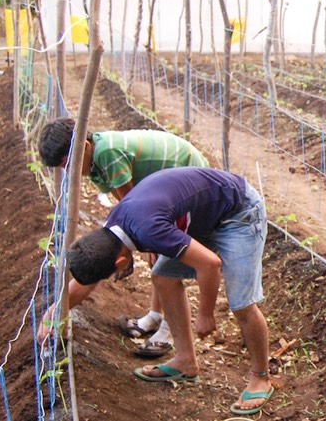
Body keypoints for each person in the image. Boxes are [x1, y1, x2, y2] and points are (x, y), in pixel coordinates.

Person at [38, 167, 273, 415]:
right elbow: (89, 279)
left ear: (119, 263)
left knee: (241, 304)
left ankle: (261, 376)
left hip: (239, 212)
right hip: (208, 212)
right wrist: (53, 314)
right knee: (163, 276)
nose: (116, 276)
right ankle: (185, 361)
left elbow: (210, 264)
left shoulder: (148, 230)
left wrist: (206, 313)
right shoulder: (111, 230)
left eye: (113, 274)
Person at [38, 117, 209, 357]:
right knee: (154, 254)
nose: (68, 171)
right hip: (165, 189)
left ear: (83, 147)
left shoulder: (107, 154)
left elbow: (135, 203)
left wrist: (148, 241)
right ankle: (155, 316)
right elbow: (130, 204)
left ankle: (169, 331)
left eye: (67, 164)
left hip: (191, 181)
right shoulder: (97, 157)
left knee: (164, 262)